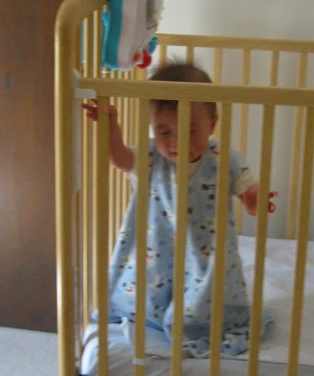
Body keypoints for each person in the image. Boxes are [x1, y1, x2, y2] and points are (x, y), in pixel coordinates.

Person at [84, 60, 277, 357]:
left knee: (207, 298)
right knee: (149, 288)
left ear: (211, 125)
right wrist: (110, 128)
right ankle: (152, 313)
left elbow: (247, 185)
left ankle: (197, 320)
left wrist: (254, 199)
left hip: (207, 253)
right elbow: (119, 159)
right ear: (153, 129)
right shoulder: (150, 157)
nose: (176, 142)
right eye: (164, 132)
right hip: (158, 248)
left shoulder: (222, 159)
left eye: (190, 130)